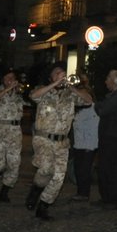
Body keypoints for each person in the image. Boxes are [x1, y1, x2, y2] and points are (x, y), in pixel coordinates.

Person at [27, 65, 91, 221]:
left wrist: (72, 87)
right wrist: (54, 85)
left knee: (58, 177)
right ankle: (36, 189)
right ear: (51, 77)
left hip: (62, 142)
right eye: (57, 74)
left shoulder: (70, 94)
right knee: (46, 169)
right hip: (43, 139)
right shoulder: (43, 90)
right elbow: (33, 96)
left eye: (63, 74)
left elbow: (88, 100)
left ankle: (44, 205)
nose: (61, 76)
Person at [0, 70, 26, 202]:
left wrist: (19, 91)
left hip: (15, 132)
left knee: (14, 164)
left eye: (12, 78)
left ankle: (5, 191)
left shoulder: (19, 93)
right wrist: (8, 89)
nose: (10, 80)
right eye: (7, 78)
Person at [93, 69, 117, 210]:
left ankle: (112, 200)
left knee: (109, 168)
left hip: (112, 135)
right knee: (105, 167)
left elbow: (103, 110)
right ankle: (107, 198)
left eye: (108, 78)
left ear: (114, 81)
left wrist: (97, 105)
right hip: (110, 135)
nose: (105, 81)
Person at [69, 93, 99, 201]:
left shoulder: (94, 109)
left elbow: (95, 128)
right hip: (78, 144)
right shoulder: (79, 110)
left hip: (89, 145)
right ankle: (81, 192)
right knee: (78, 169)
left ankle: (84, 193)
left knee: (84, 170)